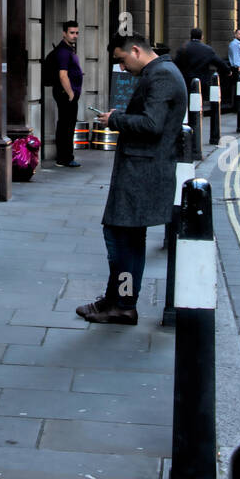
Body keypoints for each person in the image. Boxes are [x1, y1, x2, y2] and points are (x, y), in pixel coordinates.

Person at [76, 34, 187, 325]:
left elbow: (152, 124)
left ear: (136, 51)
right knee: (129, 240)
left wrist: (115, 120)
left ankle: (123, 303)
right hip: (143, 171)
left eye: (123, 60)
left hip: (142, 174)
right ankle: (118, 300)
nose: (122, 68)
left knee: (120, 239)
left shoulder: (161, 76)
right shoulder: (160, 72)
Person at [52, 20, 83, 169]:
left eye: (77, 33)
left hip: (68, 94)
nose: (75, 36)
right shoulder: (63, 51)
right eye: (72, 33)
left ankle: (64, 157)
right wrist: (71, 94)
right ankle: (65, 158)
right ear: (64, 33)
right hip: (66, 94)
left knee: (66, 125)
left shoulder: (69, 49)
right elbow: (62, 75)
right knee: (66, 126)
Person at [174, 27, 229, 97]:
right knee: (198, 99)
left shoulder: (183, 48)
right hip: (201, 80)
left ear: (190, 36)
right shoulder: (207, 50)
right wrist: (228, 71)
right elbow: (219, 62)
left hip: (185, 80)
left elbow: (176, 63)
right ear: (202, 37)